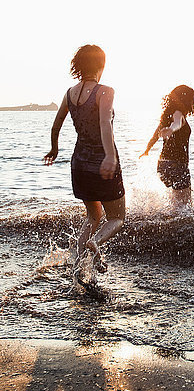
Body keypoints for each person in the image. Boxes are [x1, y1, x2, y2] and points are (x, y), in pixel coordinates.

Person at [44, 44, 125, 277]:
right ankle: (96, 242)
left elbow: (56, 124)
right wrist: (109, 156)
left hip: (79, 165)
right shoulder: (105, 91)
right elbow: (104, 124)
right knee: (117, 217)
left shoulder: (70, 93)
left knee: (92, 216)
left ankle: (78, 269)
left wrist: (54, 149)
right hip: (102, 164)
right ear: (101, 65)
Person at [140, 85, 194, 205]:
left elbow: (155, 136)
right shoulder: (178, 113)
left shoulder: (166, 116)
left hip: (163, 165)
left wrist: (147, 150)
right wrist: (171, 129)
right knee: (184, 206)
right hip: (177, 165)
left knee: (175, 202)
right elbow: (177, 123)